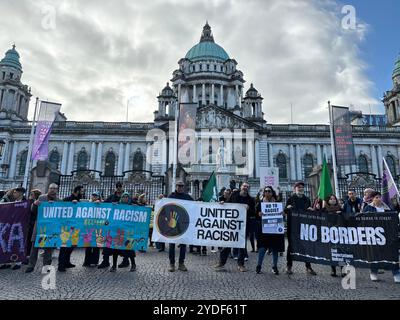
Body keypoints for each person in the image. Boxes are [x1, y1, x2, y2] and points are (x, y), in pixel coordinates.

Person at [214, 182, 255, 272]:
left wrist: (249, 209)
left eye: (247, 186)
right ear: (241, 187)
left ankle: (241, 264)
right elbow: (228, 204)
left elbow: (253, 213)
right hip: (232, 224)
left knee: (241, 246)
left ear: (248, 189)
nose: (245, 187)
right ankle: (221, 262)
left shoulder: (251, 200)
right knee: (227, 244)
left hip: (243, 226)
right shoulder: (234, 195)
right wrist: (223, 203)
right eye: (244, 186)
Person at [362, 191, 400, 283]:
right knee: (374, 254)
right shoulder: (368, 208)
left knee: (391, 254)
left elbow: (393, 219)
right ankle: (374, 272)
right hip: (374, 235)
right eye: (376, 197)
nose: (379, 199)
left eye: (380, 197)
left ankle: (396, 273)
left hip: (387, 235)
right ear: (372, 199)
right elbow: (363, 220)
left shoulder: (387, 208)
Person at [25, 184, 59, 273]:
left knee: (48, 247)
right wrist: (35, 204)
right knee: (35, 246)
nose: (52, 190)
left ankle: (46, 266)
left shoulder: (59, 201)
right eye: (51, 188)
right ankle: (31, 265)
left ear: (57, 190)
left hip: (51, 227)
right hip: (40, 226)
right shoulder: (41, 197)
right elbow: (33, 210)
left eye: (54, 189)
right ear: (48, 189)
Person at [285, 181, 317, 275]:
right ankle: (289, 266)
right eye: (298, 187)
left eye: (302, 187)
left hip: (304, 227)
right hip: (293, 226)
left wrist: (311, 210)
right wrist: (288, 208)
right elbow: (285, 211)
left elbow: (309, 212)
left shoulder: (306, 199)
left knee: (306, 246)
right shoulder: (291, 198)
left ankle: (308, 267)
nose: (300, 188)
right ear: (295, 189)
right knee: (291, 246)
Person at [256, 187, 285, 275]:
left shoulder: (277, 204)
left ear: (272, 193)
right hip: (264, 229)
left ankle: (274, 267)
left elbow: (282, 216)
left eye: (269, 191)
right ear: (264, 193)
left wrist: (283, 214)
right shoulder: (260, 204)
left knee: (275, 248)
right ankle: (258, 266)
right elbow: (255, 214)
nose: (268, 193)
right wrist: (259, 214)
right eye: (266, 191)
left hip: (275, 230)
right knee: (262, 248)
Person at [58, 185, 85, 272]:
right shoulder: (67, 199)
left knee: (72, 245)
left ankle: (67, 261)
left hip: (75, 225)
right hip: (66, 226)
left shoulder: (80, 200)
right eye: (82, 191)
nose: (83, 193)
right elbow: (62, 208)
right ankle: (61, 265)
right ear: (77, 191)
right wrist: (71, 203)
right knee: (64, 245)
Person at [98, 182, 126, 269]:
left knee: (123, 243)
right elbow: (104, 204)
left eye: (120, 186)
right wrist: (99, 202)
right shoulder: (111, 196)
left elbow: (132, 204)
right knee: (108, 242)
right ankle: (105, 261)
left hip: (122, 224)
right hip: (111, 224)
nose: (118, 188)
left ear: (122, 187)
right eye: (117, 186)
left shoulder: (126, 196)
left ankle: (126, 260)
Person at [168, 181, 193, 272]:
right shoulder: (171, 196)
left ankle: (181, 263)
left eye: (182, 186)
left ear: (184, 187)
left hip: (183, 224)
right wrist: (160, 198)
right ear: (176, 186)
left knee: (183, 244)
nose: (180, 187)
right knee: (172, 244)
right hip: (173, 224)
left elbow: (195, 205)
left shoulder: (187, 197)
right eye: (178, 186)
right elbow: (164, 205)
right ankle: (172, 264)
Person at [110, 192, 136, 272]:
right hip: (119, 230)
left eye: (127, 197)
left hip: (128, 231)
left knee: (129, 248)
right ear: (121, 198)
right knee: (115, 248)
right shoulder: (116, 205)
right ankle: (114, 265)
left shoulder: (132, 206)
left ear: (129, 198)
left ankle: (133, 264)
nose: (125, 198)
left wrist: (136, 207)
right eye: (124, 196)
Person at [322, 194, 344, 277]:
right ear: (328, 200)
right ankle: (333, 270)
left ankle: (343, 269)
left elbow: (346, 217)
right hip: (329, 233)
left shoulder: (340, 208)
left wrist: (340, 213)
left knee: (341, 251)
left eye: (334, 199)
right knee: (332, 252)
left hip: (340, 232)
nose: (333, 200)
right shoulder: (324, 209)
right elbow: (320, 217)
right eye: (331, 199)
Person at [83, 192, 102, 267]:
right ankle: (86, 261)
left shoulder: (101, 204)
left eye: (96, 196)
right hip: (89, 226)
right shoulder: (88, 203)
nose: (94, 197)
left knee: (96, 245)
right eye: (93, 195)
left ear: (98, 197)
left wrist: (99, 203)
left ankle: (95, 261)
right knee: (88, 245)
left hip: (97, 226)